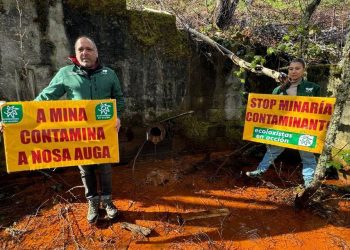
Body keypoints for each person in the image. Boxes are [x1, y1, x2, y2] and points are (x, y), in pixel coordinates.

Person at [35, 36, 125, 224]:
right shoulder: (65, 73)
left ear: (96, 52)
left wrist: (117, 116)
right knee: (86, 169)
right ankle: (92, 203)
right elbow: (45, 98)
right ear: (75, 53)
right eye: (80, 49)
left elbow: (119, 99)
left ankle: (107, 202)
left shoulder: (109, 74)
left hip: (104, 133)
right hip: (79, 134)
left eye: (89, 49)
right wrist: (17, 118)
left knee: (105, 168)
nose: (84, 53)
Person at [245, 58, 320, 188]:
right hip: (283, 127)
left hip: (304, 128)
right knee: (273, 150)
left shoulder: (313, 88)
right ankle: (260, 171)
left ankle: (308, 182)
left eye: (297, 68)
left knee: (307, 154)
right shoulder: (278, 90)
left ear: (303, 70)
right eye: (291, 69)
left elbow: (319, 110)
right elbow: (271, 111)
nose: (294, 71)